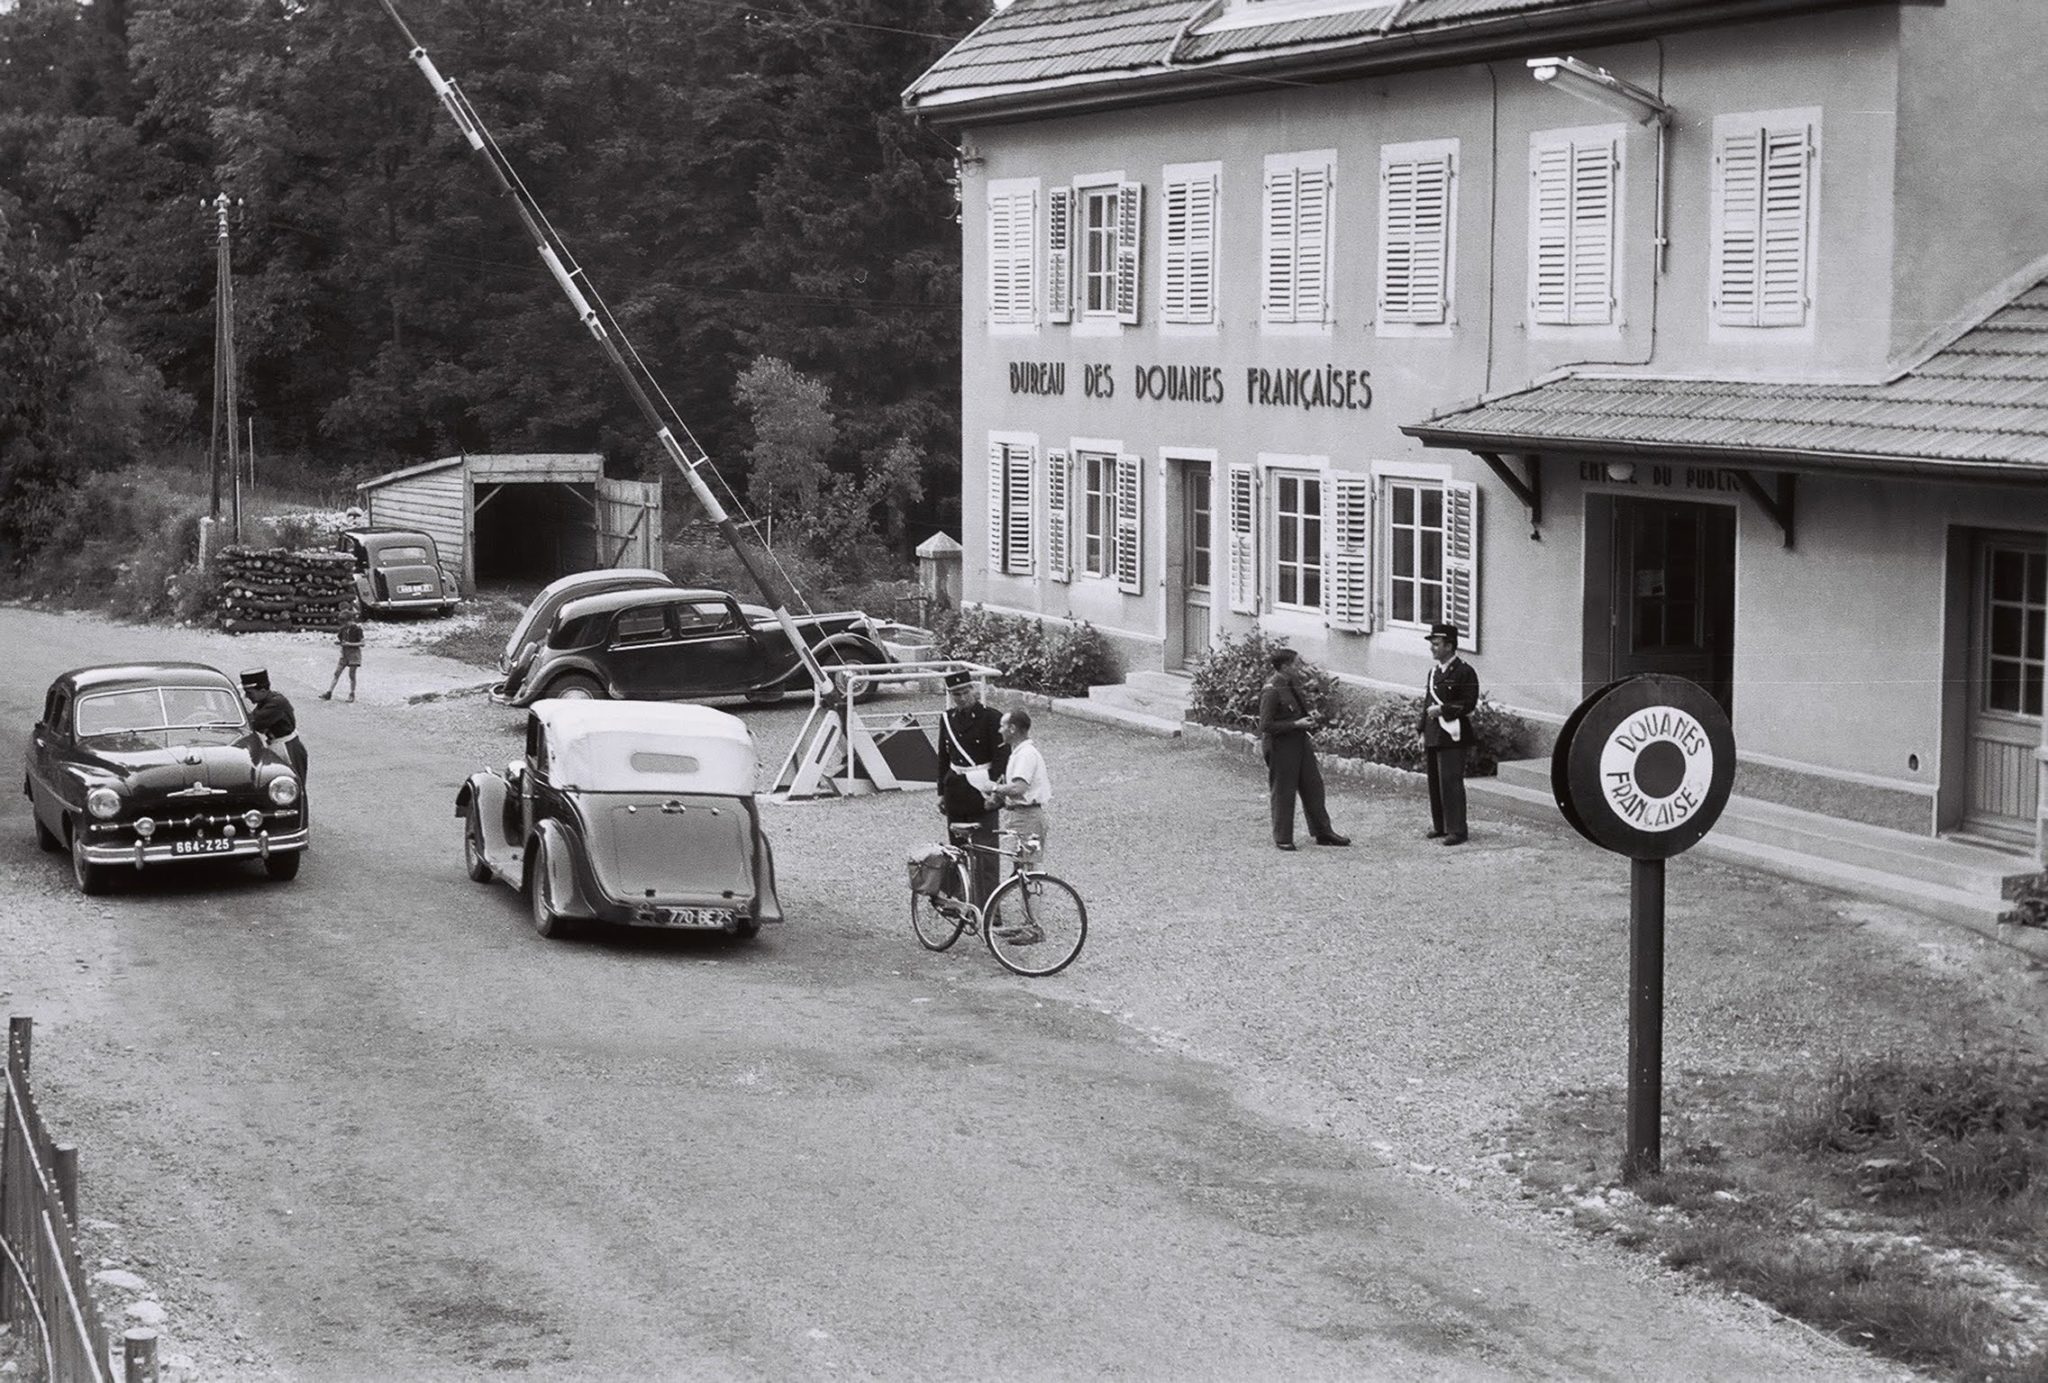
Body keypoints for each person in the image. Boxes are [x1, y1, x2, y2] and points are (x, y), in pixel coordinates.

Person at [1257, 647, 1349, 851]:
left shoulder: (1290, 684)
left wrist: (1308, 718)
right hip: (1281, 746)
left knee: (1313, 786)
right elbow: (1265, 726)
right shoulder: (1272, 690)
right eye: (1296, 663)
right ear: (1285, 667)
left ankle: (1323, 832)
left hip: (1299, 743)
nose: (1300, 666)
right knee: (1283, 791)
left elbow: (1297, 709)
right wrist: (1295, 725)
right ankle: (1283, 837)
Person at [936, 669, 1008, 904]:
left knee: (986, 851)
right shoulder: (947, 719)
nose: (961, 698)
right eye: (956, 694)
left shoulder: (991, 718)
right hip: (956, 788)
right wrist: (940, 792)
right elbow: (943, 758)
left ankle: (989, 906)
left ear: (974, 691)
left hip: (981, 787)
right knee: (957, 849)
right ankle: (961, 899)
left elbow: (1001, 757)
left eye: (965, 692)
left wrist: (994, 788)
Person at [989, 707, 1052, 946]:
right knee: (1020, 870)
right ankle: (1028, 923)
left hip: (1028, 817)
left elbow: (1019, 788)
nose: (1000, 730)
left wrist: (993, 788)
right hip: (1020, 816)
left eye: (1003, 726)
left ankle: (1035, 927)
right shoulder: (1018, 752)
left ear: (1013, 728)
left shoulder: (1026, 754)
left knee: (1029, 870)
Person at [1419, 621, 1480, 846]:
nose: (1432, 648)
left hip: (1453, 734)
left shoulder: (1465, 671)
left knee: (1451, 781)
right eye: (1432, 644)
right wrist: (1421, 731)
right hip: (1434, 733)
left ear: (1449, 645)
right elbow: (1426, 702)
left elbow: (1468, 704)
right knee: (1435, 782)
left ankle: (1457, 830)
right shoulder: (1433, 672)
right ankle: (1441, 826)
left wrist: (1443, 710)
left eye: (1436, 644)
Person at [241, 668, 308, 783]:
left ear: (262, 690)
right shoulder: (267, 701)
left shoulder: (276, 703)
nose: (247, 696)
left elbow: (253, 723)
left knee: (293, 785)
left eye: (250, 693)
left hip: (288, 748)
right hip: (281, 744)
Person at [320, 620, 364, 701]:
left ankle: (352, 693)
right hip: (344, 654)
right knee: (337, 673)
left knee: (352, 675)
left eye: (346, 622)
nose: (344, 624)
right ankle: (329, 692)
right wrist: (339, 643)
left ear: (350, 620)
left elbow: (362, 643)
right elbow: (341, 640)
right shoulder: (343, 629)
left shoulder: (357, 629)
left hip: (354, 654)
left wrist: (349, 644)